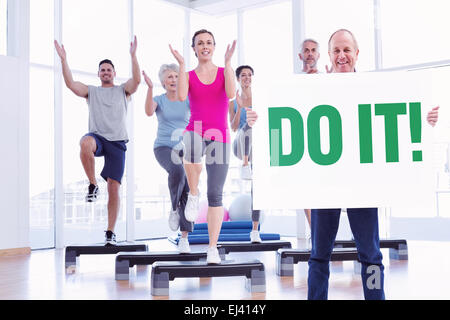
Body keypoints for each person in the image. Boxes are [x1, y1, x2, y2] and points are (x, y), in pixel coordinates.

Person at [307, 29, 439, 300]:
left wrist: (423, 121)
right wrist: (255, 119)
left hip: (362, 182)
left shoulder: (374, 89)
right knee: (319, 255)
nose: (342, 56)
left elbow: (397, 124)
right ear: (329, 55)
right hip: (325, 182)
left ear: (357, 53)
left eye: (347, 50)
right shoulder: (313, 89)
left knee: (371, 254)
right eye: (336, 50)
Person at [54, 37, 141, 245]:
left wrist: (133, 55)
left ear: (114, 73)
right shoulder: (91, 91)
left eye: (109, 70)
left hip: (118, 142)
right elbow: (71, 84)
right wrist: (64, 60)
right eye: (102, 70)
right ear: (98, 74)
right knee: (85, 143)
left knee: (114, 188)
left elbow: (136, 81)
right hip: (98, 137)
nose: (105, 72)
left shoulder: (123, 90)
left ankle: (110, 232)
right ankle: (93, 184)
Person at [169, 29, 236, 264]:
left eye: (209, 42)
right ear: (194, 48)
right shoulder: (188, 73)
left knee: (216, 194)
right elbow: (180, 96)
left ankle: (212, 248)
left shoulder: (223, 72)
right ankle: (193, 194)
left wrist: (228, 63)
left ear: (214, 46)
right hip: (195, 129)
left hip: (220, 135)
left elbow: (231, 93)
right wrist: (181, 64)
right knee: (189, 149)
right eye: (200, 43)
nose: (205, 46)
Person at [142, 64, 193, 253]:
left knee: (188, 190)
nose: (173, 80)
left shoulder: (187, 100)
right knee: (177, 170)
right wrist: (148, 88)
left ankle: (185, 239)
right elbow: (148, 111)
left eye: (176, 76)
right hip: (163, 147)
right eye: (170, 77)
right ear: (163, 82)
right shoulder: (159, 100)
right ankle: (173, 209)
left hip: (184, 149)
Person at [228, 65, 261, 242]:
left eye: (249, 75)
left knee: (258, 188)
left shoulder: (260, 99)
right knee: (248, 124)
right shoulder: (232, 103)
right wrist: (240, 107)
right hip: (240, 147)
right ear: (238, 79)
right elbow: (233, 127)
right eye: (243, 75)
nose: (247, 77)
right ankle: (245, 164)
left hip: (256, 147)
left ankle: (255, 230)